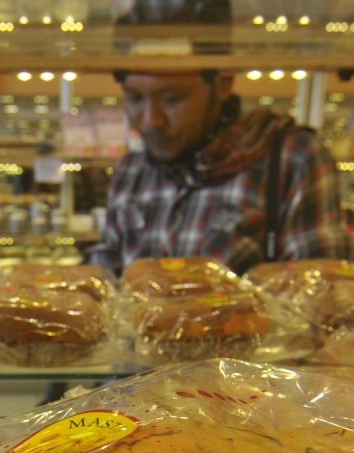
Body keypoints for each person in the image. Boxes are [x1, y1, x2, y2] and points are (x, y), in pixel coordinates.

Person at [88, 0, 353, 277]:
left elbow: (319, 295)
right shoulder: (131, 170)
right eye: (135, 98)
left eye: (172, 98)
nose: (151, 119)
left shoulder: (292, 159)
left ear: (224, 83)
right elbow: (106, 275)